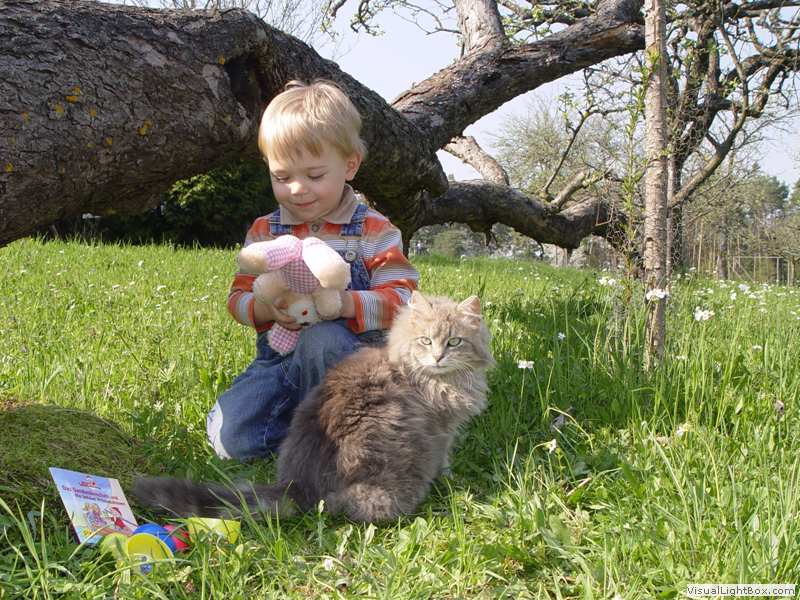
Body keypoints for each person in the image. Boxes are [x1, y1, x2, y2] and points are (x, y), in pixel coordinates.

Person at [206, 80, 419, 461]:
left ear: (350, 165)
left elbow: (403, 301)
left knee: (322, 338)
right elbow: (237, 298)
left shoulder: (373, 230)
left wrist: (344, 304)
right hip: (281, 362)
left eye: (315, 175)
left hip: (351, 363)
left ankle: (349, 432)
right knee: (231, 441)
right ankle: (302, 426)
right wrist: (267, 309)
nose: (297, 189)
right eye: (282, 177)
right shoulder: (266, 231)